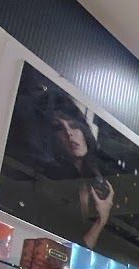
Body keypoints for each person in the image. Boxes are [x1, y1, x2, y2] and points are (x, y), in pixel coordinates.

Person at [38, 95, 113, 249]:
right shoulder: (52, 180)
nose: (69, 133)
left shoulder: (97, 182)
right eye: (59, 128)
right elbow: (68, 253)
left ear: (84, 130)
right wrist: (101, 221)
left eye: (73, 126)